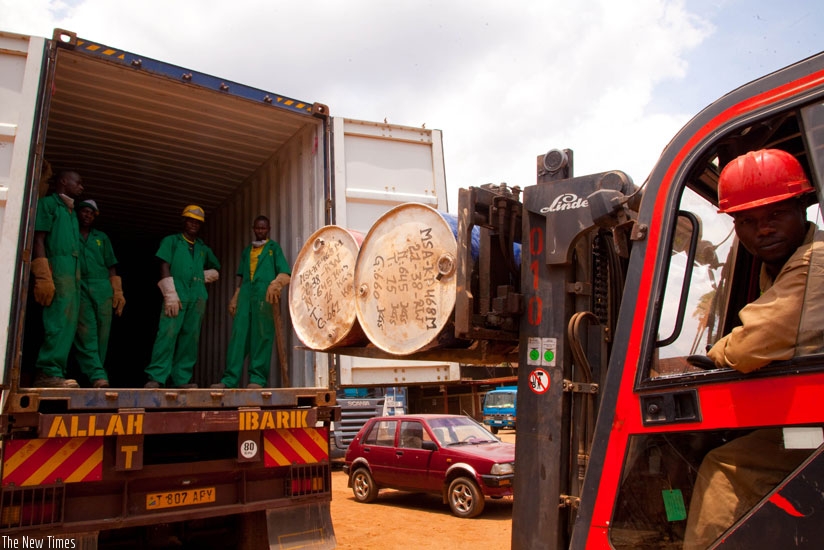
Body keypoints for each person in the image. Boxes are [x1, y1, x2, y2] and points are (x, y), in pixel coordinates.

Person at [683, 149, 824, 548]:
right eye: (747, 221)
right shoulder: (783, 264)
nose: (762, 230)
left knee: (726, 464)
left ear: (802, 209)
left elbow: (753, 346)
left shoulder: (816, 263)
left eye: (774, 215)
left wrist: (717, 354)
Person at [144, 205, 220, 389]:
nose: (194, 224)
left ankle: (181, 380)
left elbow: (216, 268)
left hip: (197, 298)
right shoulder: (172, 241)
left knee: (190, 339)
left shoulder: (202, 248)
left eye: (197, 222)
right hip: (176, 294)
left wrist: (204, 276)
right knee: (167, 334)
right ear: (184, 221)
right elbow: (164, 265)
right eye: (190, 220)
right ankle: (156, 377)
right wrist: (169, 293)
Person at [211, 216, 290, 389]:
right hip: (246, 297)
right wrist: (236, 296)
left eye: (263, 228)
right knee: (238, 337)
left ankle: (257, 380)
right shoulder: (247, 251)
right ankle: (229, 380)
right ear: (253, 229)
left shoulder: (273, 249)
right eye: (257, 228)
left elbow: (285, 273)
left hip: (264, 299)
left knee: (262, 337)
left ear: (268, 229)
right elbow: (242, 277)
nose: (260, 231)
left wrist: (276, 284)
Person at [31, 170, 84, 388]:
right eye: (78, 182)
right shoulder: (48, 205)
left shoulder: (71, 211)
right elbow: (38, 238)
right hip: (57, 270)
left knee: (69, 324)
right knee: (57, 322)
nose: (81, 187)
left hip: (72, 274)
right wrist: (43, 273)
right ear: (63, 182)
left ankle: (56, 372)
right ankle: (47, 372)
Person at [72, 199, 125, 388]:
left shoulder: (101, 237)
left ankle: (96, 372)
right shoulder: (70, 233)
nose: (87, 216)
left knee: (103, 333)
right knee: (87, 332)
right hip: (80, 286)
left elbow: (111, 265)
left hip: (103, 287)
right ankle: (97, 374)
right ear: (77, 212)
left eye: (91, 213)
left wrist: (117, 290)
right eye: (84, 211)